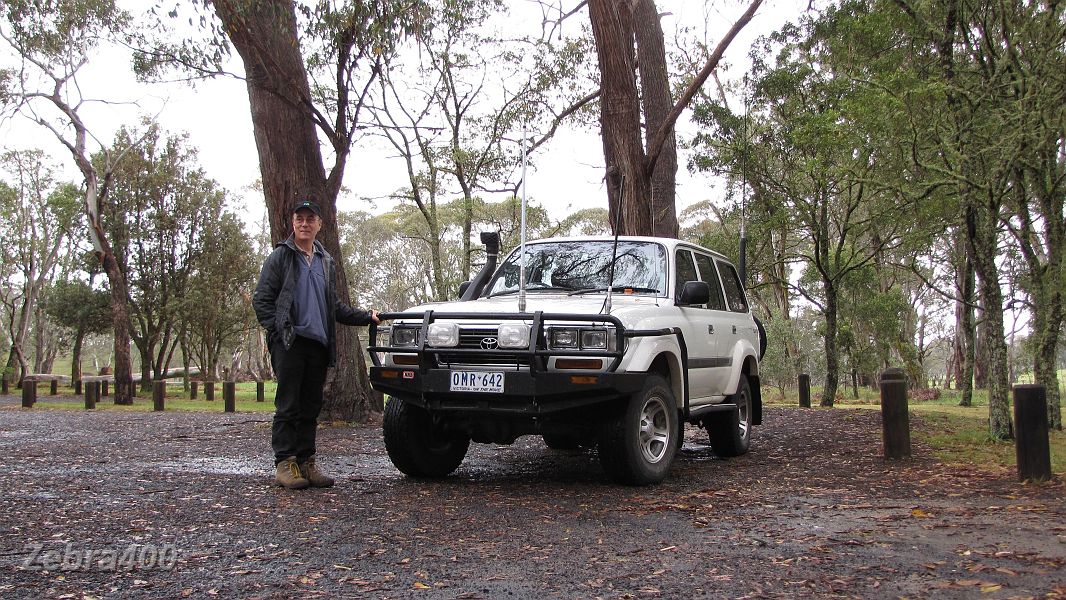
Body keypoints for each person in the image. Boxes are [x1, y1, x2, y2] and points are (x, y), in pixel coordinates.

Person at [253, 199, 380, 489]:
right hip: (290, 342)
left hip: (318, 344)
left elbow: (333, 306)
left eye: (311, 219)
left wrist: (366, 317)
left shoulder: (325, 260)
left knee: (311, 406)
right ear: (293, 223)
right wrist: (278, 332)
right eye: (300, 218)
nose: (305, 224)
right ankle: (285, 463)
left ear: (319, 224)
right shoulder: (281, 257)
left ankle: (306, 462)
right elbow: (262, 299)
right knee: (288, 405)